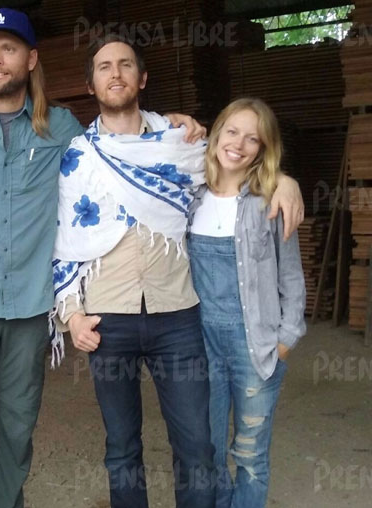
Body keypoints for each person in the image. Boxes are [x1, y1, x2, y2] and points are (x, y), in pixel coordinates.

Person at [0, 9, 204, 507]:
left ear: (31, 58)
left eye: (9, 48)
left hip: (29, 306)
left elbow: (126, 140)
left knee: (16, 429)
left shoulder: (63, 130)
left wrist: (181, 123)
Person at [53, 36, 305, 508]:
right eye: (104, 66)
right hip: (108, 319)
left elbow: (237, 168)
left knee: (196, 445)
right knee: (121, 447)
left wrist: (285, 180)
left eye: (126, 64)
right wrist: (71, 314)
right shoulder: (78, 157)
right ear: (91, 85)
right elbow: (65, 240)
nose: (116, 73)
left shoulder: (182, 145)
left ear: (142, 78)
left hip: (179, 318)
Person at [187, 97, 306, 508]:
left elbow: (291, 278)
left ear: (263, 149)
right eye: (233, 131)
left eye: (252, 139)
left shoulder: (268, 200)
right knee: (209, 451)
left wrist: (287, 338)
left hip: (254, 343)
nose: (239, 144)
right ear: (216, 132)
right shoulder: (189, 194)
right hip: (200, 343)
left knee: (251, 455)